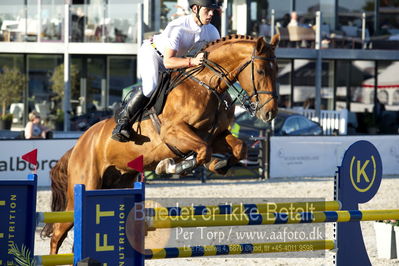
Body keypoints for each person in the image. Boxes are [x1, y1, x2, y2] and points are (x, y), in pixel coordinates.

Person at [112, 0, 220, 142]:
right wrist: (192, 62)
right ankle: (122, 124)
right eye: (207, 10)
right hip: (154, 54)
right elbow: (168, 62)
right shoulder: (179, 28)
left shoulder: (212, 31)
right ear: (195, 8)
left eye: (213, 10)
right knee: (151, 87)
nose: (211, 14)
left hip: (179, 61)